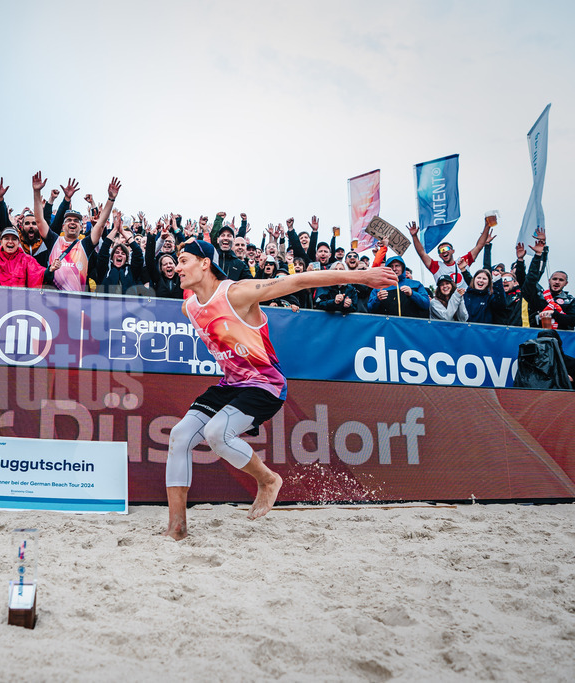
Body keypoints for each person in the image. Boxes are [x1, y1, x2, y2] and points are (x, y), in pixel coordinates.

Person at [163, 239, 395, 539]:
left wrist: (362, 276)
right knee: (178, 437)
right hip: (231, 383)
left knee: (216, 434)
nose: (176, 267)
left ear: (205, 263)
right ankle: (177, 528)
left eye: (183, 260)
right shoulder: (189, 307)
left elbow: (299, 279)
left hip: (264, 383)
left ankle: (268, 480)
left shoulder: (238, 293)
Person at [32, 172, 120, 292]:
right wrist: (36, 192)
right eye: (69, 220)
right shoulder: (54, 240)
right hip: (53, 300)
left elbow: (100, 224)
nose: (72, 222)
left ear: (80, 227)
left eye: (76, 221)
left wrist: (111, 199)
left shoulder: (85, 245)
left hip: (77, 301)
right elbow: (39, 220)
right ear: (63, 226)